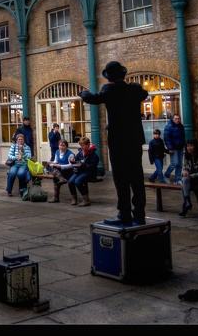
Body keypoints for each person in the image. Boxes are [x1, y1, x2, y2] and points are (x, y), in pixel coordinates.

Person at [79, 60, 149, 226]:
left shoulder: (109, 89)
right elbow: (143, 93)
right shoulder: (133, 89)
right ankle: (139, 214)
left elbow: (92, 98)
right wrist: (136, 86)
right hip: (134, 139)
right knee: (137, 178)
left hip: (118, 140)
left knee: (121, 178)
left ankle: (124, 213)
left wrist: (83, 93)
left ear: (109, 78)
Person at [67, 136, 100, 207]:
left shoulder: (94, 155)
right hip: (80, 171)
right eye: (81, 146)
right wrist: (72, 160)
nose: (82, 147)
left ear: (88, 145)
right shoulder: (81, 153)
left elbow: (92, 166)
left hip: (89, 172)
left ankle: (86, 199)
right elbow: (75, 160)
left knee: (78, 181)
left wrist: (82, 165)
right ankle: (74, 198)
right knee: (70, 182)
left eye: (83, 146)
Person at [178, 139, 198, 217]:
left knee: (184, 185)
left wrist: (191, 175)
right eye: (187, 146)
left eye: (191, 146)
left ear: (195, 146)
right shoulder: (185, 156)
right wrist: (185, 173)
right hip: (188, 178)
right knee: (185, 179)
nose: (189, 148)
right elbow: (184, 167)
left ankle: (186, 205)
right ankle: (187, 202)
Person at [5, 132, 33, 197]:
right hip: (15, 164)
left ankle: (22, 190)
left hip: (23, 164)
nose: (20, 141)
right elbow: (9, 156)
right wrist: (16, 158)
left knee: (21, 174)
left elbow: (29, 157)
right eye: (19, 139)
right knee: (12, 173)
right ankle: (9, 190)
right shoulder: (13, 146)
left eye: (22, 139)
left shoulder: (27, 147)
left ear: (24, 140)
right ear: (17, 140)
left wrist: (23, 151)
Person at [163, 114, 186, 184]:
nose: (177, 120)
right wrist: (170, 148)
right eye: (176, 118)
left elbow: (183, 137)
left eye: (178, 118)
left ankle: (177, 179)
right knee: (175, 162)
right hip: (173, 148)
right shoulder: (169, 127)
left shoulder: (181, 126)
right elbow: (167, 138)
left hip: (180, 147)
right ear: (173, 119)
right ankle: (166, 175)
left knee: (179, 164)